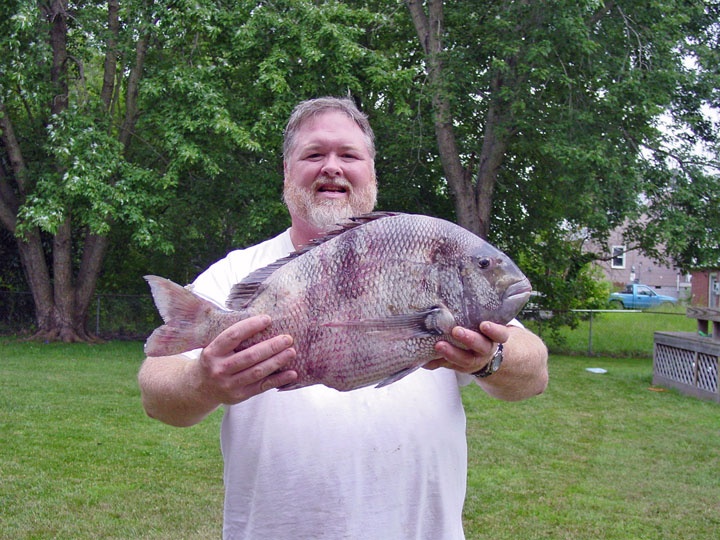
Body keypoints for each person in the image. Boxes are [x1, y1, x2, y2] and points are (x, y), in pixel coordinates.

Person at [138, 97, 548, 540]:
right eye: (314, 154)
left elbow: (535, 371)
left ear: (371, 173)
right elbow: (155, 392)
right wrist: (205, 380)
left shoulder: (425, 253)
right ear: (286, 172)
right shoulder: (238, 272)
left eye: (349, 155)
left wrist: (489, 359)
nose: (331, 167)